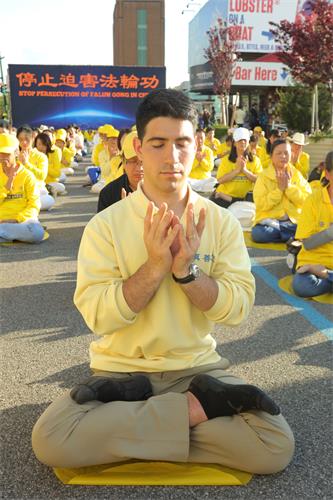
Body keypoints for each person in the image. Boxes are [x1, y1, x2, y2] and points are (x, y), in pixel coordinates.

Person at [32, 89, 294, 475]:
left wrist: (186, 273)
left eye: (182, 144)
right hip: (120, 373)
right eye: (158, 144)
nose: (172, 157)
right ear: (138, 147)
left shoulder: (218, 222)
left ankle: (141, 421)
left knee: (273, 447)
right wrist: (155, 267)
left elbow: (237, 309)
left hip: (198, 371)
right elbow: (98, 317)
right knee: (50, 439)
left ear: (197, 145)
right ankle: (192, 414)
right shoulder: (107, 225)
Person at [252, 139, 311, 243]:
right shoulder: (263, 177)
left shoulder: (296, 174)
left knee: (311, 228)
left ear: (291, 155)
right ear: (271, 156)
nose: (283, 156)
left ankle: (286, 234)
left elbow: (308, 201)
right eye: (279, 153)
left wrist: (289, 187)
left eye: (286, 153)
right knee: (258, 234)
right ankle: (293, 235)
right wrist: (279, 190)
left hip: (293, 221)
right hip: (270, 222)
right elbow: (261, 204)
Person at [292, 151, 333, 297]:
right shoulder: (313, 200)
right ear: (327, 174)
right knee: (302, 285)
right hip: (315, 260)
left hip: (322, 271)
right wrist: (330, 233)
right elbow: (308, 244)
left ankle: (327, 276)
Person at [0, 133, 44, 243]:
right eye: (0, 154)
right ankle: (7, 234)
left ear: (16, 152)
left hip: (22, 221)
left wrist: (16, 219)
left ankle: (4, 234)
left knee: (36, 232)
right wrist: (7, 185)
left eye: (6, 154)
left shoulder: (27, 175)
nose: (2, 158)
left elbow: (34, 205)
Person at [210, 128, 262, 209]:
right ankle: (224, 197)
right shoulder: (226, 160)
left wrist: (244, 170)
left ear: (248, 142)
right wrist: (236, 170)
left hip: (245, 198)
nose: (243, 142)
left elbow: (259, 180)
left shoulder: (255, 160)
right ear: (234, 143)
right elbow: (220, 180)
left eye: (245, 140)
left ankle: (229, 199)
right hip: (226, 196)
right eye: (239, 140)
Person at [97, 131, 143, 212]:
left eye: (144, 161)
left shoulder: (164, 190)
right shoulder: (108, 194)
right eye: (132, 161)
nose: (139, 168)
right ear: (123, 161)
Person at [16, 125, 54, 211]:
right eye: (21, 139)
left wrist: (26, 163)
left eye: (27, 139)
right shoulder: (14, 156)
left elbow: (42, 176)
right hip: (19, 192)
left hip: (37, 190)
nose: (24, 142)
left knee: (49, 200)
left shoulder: (41, 156)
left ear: (33, 138)